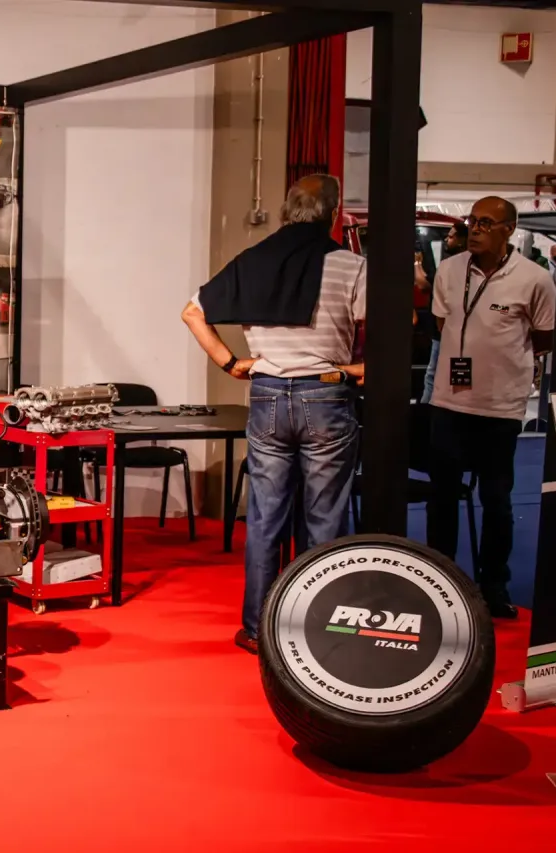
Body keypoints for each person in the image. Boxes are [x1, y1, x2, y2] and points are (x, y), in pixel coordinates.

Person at [181, 174, 366, 654]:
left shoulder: (252, 260)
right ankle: (318, 630)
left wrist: (230, 363)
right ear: (334, 212)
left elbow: (192, 312)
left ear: (286, 210)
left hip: (266, 395)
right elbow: (393, 323)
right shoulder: (350, 266)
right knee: (323, 517)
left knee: (265, 518)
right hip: (325, 395)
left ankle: (258, 627)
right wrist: (356, 369)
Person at [428, 197, 555, 619]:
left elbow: (543, 338)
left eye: (486, 222)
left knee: (497, 500)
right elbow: (442, 326)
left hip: (500, 408)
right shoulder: (449, 270)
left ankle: (494, 585)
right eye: (472, 221)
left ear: (509, 229)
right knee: (442, 497)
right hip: (448, 402)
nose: (476, 229)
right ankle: (439, 579)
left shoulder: (534, 279)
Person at [421, 221, 467, 404]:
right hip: (448, 332)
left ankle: (428, 413)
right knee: (440, 377)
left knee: (436, 377)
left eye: (451, 236)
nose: (447, 239)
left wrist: (416, 262)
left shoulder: (454, 267)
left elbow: (424, 284)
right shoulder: (450, 265)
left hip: (451, 334)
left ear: (462, 240)